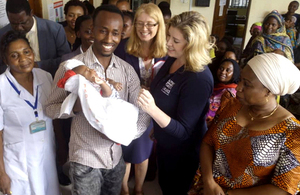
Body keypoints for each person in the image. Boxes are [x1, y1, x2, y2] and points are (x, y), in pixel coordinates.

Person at [45, 5, 150, 195]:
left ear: (122, 34)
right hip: (85, 160)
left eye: (115, 33)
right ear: (92, 30)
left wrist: (121, 134)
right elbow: (50, 108)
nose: (109, 39)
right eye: (103, 30)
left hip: (116, 159)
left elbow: (143, 113)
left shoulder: (127, 71)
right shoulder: (72, 67)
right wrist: (75, 107)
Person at [188, 53, 300, 195]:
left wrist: (226, 193)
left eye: (247, 84)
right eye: (240, 80)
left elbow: (284, 188)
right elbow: (208, 143)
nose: (238, 88)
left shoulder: (292, 133)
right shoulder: (230, 106)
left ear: (268, 91)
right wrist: (209, 182)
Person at [137, 11, 214, 195]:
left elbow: (184, 131)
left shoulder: (198, 78)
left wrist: (152, 110)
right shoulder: (173, 58)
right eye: (169, 36)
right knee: (164, 185)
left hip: (182, 153)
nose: (168, 43)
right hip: (165, 142)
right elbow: (166, 96)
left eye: (175, 40)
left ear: (192, 45)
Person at [115, 3, 167, 195]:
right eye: (140, 23)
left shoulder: (167, 51)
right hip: (126, 107)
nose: (145, 29)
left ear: (159, 25)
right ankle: (124, 191)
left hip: (152, 109)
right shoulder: (123, 47)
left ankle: (138, 189)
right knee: (125, 153)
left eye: (150, 24)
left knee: (142, 153)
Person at [0, 31, 60, 195]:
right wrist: (1, 174)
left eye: (26, 51)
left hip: (47, 156)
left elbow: (54, 115)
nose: (23, 58)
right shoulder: (1, 87)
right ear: (5, 60)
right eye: (14, 55)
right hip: (18, 164)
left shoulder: (45, 77)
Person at [57, 59, 137, 146]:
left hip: (116, 155)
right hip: (87, 150)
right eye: (87, 71)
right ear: (83, 80)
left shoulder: (126, 68)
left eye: (88, 68)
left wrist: (112, 82)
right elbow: (107, 93)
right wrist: (102, 84)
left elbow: (107, 82)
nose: (91, 70)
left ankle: (119, 134)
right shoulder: (91, 89)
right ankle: (115, 135)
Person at [0, 0, 70, 77]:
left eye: (23, 23)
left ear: (31, 13)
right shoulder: (2, 34)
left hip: (50, 79)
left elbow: (66, 60)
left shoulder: (55, 29)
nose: (19, 28)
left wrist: (37, 65)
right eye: (13, 24)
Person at [206, 59, 240, 126]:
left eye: (228, 70)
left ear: (234, 73)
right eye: (221, 68)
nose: (223, 72)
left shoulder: (232, 93)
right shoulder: (214, 86)